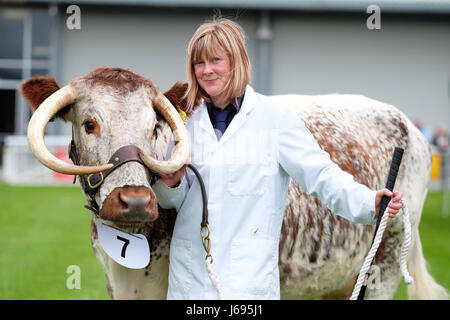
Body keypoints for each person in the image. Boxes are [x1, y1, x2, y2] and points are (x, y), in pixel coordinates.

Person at [152, 17, 403, 300]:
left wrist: (368, 202)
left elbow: (321, 176)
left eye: (215, 60)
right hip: (191, 283)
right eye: (199, 63)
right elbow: (173, 201)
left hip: (247, 285)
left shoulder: (275, 119)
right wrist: (170, 185)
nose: (207, 70)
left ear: (237, 61)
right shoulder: (183, 123)